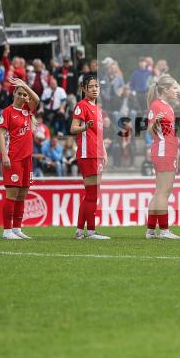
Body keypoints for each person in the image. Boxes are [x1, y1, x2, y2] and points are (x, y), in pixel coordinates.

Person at [0, 77, 41, 240]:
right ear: (14, 94)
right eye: (20, 94)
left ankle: (17, 228)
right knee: (12, 194)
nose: (23, 97)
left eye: (25, 95)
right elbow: (0, 134)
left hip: (27, 159)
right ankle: (6, 230)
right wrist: (4, 155)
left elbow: (36, 99)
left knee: (22, 194)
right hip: (13, 157)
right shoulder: (7, 112)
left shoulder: (28, 111)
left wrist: (25, 85)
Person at [70, 74, 109, 240]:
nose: (95, 89)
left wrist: (104, 152)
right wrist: (85, 127)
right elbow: (73, 128)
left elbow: (99, 135)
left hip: (97, 154)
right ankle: (91, 231)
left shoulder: (98, 109)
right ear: (83, 89)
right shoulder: (82, 105)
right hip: (87, 154)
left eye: (97, 86)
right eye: (91, 86)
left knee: (90, 194)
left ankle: (80, 231)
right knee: (93, 194)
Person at [144, 74, 180, 240]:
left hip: (168, 150)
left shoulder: (167, 106)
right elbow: (149, 129)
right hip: (163, 151)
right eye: (174, 88)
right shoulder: (157, 105)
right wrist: (155, 123)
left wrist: (177, 148)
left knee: (159, 192)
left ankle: (151, 230)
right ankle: (164, 230)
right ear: (165, 90)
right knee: (163, 192)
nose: (176, 91)